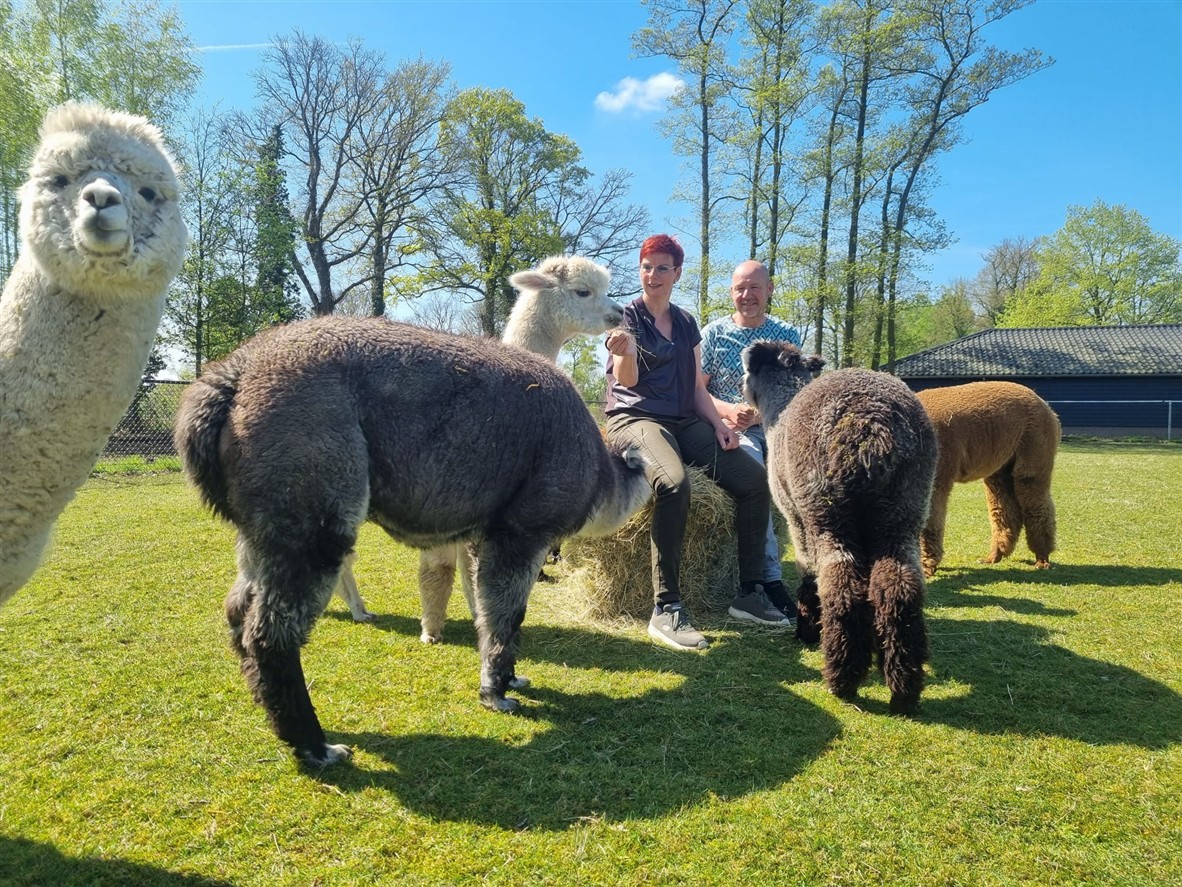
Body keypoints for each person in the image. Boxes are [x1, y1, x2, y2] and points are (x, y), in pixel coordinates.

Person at [604, 235, 791, 652]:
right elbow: (628, 381)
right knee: (673, 483)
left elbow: (694, 387)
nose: (653, 275)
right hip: (635, 418)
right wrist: (626, 350)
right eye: (647, 266)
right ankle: (666, 608)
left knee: (753, 481)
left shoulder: (687, 322)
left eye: (662, 267)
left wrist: (719, 422)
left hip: (686, 418)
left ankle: (750, 593)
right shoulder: (626, 318)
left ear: (677, 273)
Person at [700, 260, 803, 623]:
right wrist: (730, 411)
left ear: (769, 289)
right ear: (731, 292)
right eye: (740, 288)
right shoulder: (713, 334)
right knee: (759, 476)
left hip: (775, 424)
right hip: (730, 429)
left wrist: (758, 412)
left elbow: (794, 390)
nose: (747, 295)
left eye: (755, 287)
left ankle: (819, 576)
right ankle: (771, 580)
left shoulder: (786, 335)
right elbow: (697, 389)